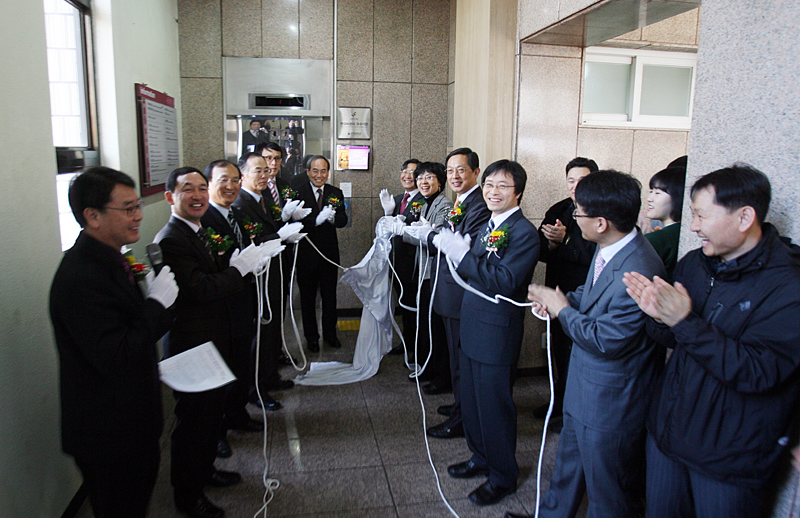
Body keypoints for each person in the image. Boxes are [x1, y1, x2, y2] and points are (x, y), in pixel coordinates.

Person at [623, 164, 800, 518]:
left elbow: (758, 372)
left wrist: (683, 321)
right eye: (692, 214)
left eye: (702, 215)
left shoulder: (788, 286)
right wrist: (657, 316)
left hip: (729, 457)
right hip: (669, 436)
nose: (693, 227)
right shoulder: (695, 264)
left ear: (744, 217)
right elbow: (672, 339)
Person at [518, 170, 666, 518]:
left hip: (611, 401)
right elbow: (591, 294)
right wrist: (561, 301)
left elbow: (605, 340)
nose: (574, 216)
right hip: (585, 388)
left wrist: (562, 311)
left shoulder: (639, 270)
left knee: (608, 490)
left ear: (601, 223)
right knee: (568, 467)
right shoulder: (612, 247)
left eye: (579, 212)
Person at [50, 167, 178, 518]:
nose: (138, 216)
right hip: (108, 431)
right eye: (128, 208)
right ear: (92, 216)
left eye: (138, 205)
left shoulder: (110, 257)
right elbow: (116, 353)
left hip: (131, 420)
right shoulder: (81, 276)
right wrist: (157, 305)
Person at [155, 166, 270, 518]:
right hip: (193, 343)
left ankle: (205, 472)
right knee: (193, 422)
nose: (198, 196)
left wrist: (234, 267)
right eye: (188, 189)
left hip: (213, 336)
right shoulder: (171, 238)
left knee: (208, 416)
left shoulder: (198, 229)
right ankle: (188, 496)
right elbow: (199, 289)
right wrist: (239, 270)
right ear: (170, 196)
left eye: (201, 189)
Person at [439, 160, 538, 506]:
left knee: (495, 408)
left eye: (503, 186)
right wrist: (463, 254)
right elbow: (478, 270)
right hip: (473, 325)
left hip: (496, 333)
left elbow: (506, 281)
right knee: (473, 403)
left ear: (518, 192)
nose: (493, 192)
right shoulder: (489, 226)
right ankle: (480, 457)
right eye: (490, 185)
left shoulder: (524, 233)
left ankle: (502, 476)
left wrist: (464, 256)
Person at [200, 160, 269, 462]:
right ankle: (216, 434)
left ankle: (238, 414)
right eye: (223, 180)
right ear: (209, 185)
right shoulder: (205, 218)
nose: (230, 186)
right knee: (220, 371)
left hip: (242, 299)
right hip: (219, 308)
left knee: (240, 360)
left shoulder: (236, 213)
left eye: (234, 180)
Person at [232, 153, 303, 399]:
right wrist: (278, 237)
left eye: (266, 170)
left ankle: (270, 376)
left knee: (272, 329)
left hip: (273, 273)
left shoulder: (263, 198)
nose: (265, 175)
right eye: (258, 171)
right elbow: (247, 242)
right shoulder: (240, 204)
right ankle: (256, 389)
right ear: (242, 175)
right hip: (257, 278)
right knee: (260, 332)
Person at [534, 157, 598, 421]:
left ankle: (572, 411)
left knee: (578, 355)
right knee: (558, 350)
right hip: (558, 288)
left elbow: (596, 253)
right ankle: (558, 402)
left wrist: (567, 239)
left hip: (585, 293)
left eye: (582, 180)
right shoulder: (559, 209)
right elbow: (541, 250)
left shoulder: (600, 213)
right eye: (571, 180)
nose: (575, 186)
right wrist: (551, 244)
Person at [386, 162, 453, 387]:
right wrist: (401, 227)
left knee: (434, 326)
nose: (424, 182)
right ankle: (426, 367)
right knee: (423, 322)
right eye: (421, 178)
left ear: (440, 182)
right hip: (422, 272)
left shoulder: (444, 204)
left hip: (434, 274)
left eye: (430, 177)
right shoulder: (425, 203)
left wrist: (406, 232)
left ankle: (440, 375)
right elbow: (422, 234)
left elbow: (437, 239)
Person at [295, 155, 349, 351]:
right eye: (315, 171)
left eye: (323, 171)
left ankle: (330, 334)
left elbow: (343, 220)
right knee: (307, 298)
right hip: (305, 254)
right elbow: (294, 222)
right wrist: (315, 221)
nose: (319, 175)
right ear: (308, 171)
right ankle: (311, 337)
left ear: (328, 172)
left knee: (329, 296)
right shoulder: (298, 192)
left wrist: (333, 218)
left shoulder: (336, 192)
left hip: (329, 254)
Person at [379, 158, 423, 356]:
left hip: (414, 265)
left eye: (412, 172)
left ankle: (415, 348)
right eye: (404, 171)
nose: (407, 175)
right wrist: (387, 213)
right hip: (396, 262)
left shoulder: (423, 200)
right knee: (404, 306)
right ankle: (407, 342)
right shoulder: (396, 199)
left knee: (414, 307)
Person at [644, 166, 686, 282]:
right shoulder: (682, 231)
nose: (649, 199)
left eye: (657, 193)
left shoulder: (658, 238)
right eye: (651, 192)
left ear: (678, 197)